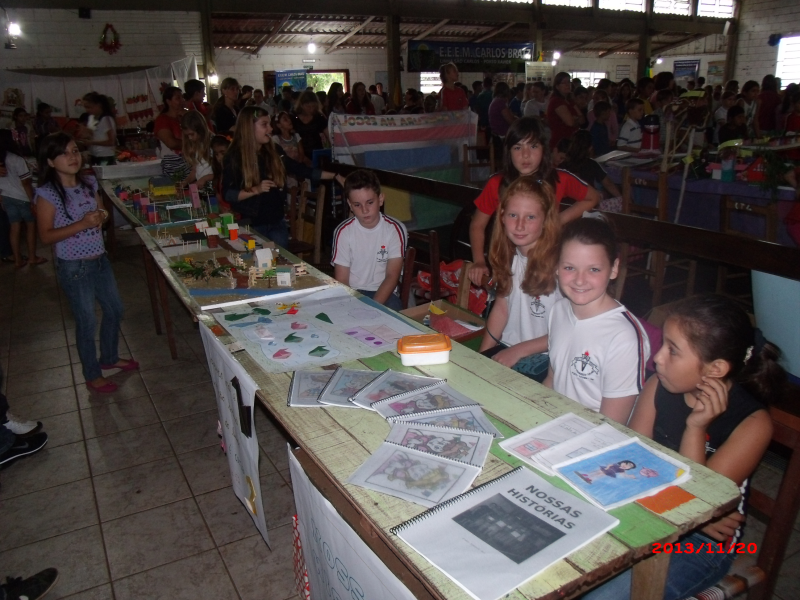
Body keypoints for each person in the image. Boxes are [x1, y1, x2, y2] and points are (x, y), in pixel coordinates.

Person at [584, 294, 784, 600]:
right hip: (648, 510)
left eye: (672, 350)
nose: (657, 358)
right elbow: (631, 463)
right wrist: (678, 502)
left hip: (702, 545)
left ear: (715, 369)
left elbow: (699, 506)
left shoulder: (753, 424)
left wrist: (695, 427)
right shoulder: (658, 386)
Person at [35, 133, 138, 393]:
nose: (72, 157)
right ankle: (92, 374)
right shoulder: (47, 194)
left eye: (75, 151)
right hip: (73, 265)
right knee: (87, 320)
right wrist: (82, 224)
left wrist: (100, 216)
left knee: (115, 309)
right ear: (50, 161)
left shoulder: (89, 182)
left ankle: (110, 358)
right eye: (64, 153)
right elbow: (45, 235)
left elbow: (102, 211)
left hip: (99, 259)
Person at [467, 117, 600, 286]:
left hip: (548, 263)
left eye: (533, 146)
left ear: (545, 149)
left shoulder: (559, 178)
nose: (525, 155)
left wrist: (558, 220)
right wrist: (479, 262)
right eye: (517, 147)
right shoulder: (498, 183)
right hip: (508, 263)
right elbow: (477, 225)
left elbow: (593, 197)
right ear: (508, 152)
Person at [544, 217, 650, 425]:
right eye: (569, 268)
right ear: (556, 266)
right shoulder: (558, 311)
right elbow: (552, 379)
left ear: (613, 268)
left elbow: (612, 425)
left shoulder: (624, 336)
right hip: (554, 421)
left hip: (594, 436)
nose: (580, 280)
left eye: (594, 269)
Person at [222, 106, 344, 247]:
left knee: (280, 265)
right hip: (252, 225)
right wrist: (256, 189)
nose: (270, 129)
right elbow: (228, 194)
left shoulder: (274, 151)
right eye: (264, 125)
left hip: (277, 222)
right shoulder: (234, 157)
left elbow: (301, 169)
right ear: (249, 127)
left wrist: (335, 176)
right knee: (258, 267)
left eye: (269, 124)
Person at [478, 176, 561, 382]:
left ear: (545, 220)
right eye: (513, 215)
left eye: (530, 217)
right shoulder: (509, 255)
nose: (520, 225)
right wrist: (480, 357)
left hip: (548, 358)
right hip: (509, 348)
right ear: (503, 217)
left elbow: (569, 330)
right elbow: (501, 309)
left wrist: (517, 351)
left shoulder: (561, 266)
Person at [331, 169, 406, 311]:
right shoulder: (343, 232)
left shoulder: (394, 229)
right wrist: (351, 305)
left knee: (393, 313)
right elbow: (342, 281)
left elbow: (392, 276)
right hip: (353, 292)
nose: (365, 210)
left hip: (384, 293)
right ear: (350, 205)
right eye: (357, 205)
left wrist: (372, 307)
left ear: (381, 199)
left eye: (370, 202)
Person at [0, 130, 46, 268]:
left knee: (14, 228)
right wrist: (33, 200)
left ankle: (18, 260)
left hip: (6, 197)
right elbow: (26, 183)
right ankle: (32, 257)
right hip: (23, 198)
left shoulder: (2, 161)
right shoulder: (16, 159)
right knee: (31, 227)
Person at [562, 130, 621, 200]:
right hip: (586, 203)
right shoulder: (592, 164)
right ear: (590, 148)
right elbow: (608, 184)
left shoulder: (563, 164)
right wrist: (622, 198)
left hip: (565, 204)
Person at [154, 86, 188, 179]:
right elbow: (171, 143)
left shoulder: (186, 116)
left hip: (190, 160)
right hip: (174, 162)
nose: (182, 101)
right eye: (178, 98)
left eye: (182, 97)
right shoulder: (162, 120)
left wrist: (188, 118)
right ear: (168, 101)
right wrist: (193, 143)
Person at [547, 72, 582, 149]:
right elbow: (570, 122)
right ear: (557, 86)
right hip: (560, 142)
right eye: (564, 83)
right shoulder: (556, 101)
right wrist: (575, 119)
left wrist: (575, 119)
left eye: (569, 82)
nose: (567, 85)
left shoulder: (569, 101)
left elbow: (582, 119)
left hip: (571, 140)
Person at [179, 111, 213, 190]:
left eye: (192, 134)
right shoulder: (197, 145)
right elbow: (195, 170)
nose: (190, 138)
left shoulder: (213, 143)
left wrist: (205, 178)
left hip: (213, 188)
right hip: (203, 188)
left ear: (200, 130)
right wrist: (186, 181)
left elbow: (220, 172)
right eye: (187, 135)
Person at [80, 93, 116, 166]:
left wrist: (91, 142)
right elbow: (96, 136)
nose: (87, 110)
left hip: (105, 156)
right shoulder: (93, 119)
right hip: (94, 155)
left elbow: (111, 141)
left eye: (89, 107)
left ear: (98, 105)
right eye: (85, 108)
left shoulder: (106, 119)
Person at [293, 91, 329, 163]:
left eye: (313, 106)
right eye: (308, 107)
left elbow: (328, 134)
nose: (311, 109)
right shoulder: (294, 118)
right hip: (300, 154)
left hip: (317, 153)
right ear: (301, 105)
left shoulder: (319, 117)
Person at [488, 82, 517, 156]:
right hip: (502, 136)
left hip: (497, 135)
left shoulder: (495, 101)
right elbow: (511, 120)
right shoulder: (500, 103)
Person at [210, 135, 230, 211]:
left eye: (223, 153)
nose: (219, 158)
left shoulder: (238, 173)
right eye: (216, 154)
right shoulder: (219, 173)